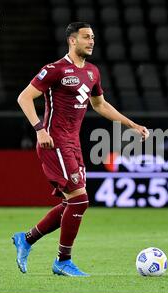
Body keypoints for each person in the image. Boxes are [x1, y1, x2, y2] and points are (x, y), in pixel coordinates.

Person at [12, 22, 149, 277]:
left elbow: (100, 105)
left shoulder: (93, 72)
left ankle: (27, 239)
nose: (91, 41)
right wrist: (40, 129)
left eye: (93, 37)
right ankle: (62, 261)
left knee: (71, 202)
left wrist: (131, 124)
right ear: (72, 41)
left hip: (73, 144)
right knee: (80, 200)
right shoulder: (55, 70)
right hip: (53, 142)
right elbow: (24, 97)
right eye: (86, 37)